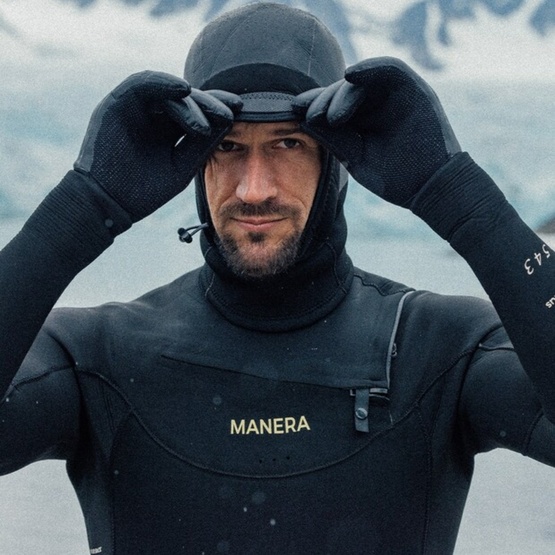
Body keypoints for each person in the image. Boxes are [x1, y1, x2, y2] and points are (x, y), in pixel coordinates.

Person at [1, 2, 554, 553]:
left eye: (288, 143)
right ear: (194, 164)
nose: (253, 189)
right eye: (227, 147)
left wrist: (455, 193)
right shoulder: (97, 357)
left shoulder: (440, 350)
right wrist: (82, 208)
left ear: (334, 162)